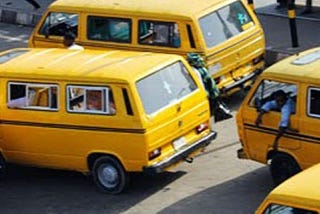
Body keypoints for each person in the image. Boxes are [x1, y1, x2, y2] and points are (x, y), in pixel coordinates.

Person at [186, 53, 232, 122]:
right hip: (211, 90)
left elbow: (201, 83)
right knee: (216, 103)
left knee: (213, 105)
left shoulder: (195, 70)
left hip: (208, 91)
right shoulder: (201, 68)